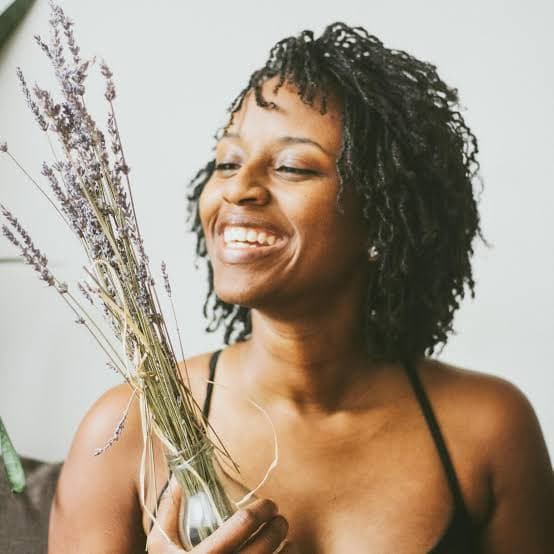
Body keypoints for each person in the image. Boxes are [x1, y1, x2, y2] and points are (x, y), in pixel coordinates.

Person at [48, 22, 554, 553]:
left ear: (382, 219)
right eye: (227, 162)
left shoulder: (488, 431)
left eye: (292, 166)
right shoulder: (129, 431)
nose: (239, 189)